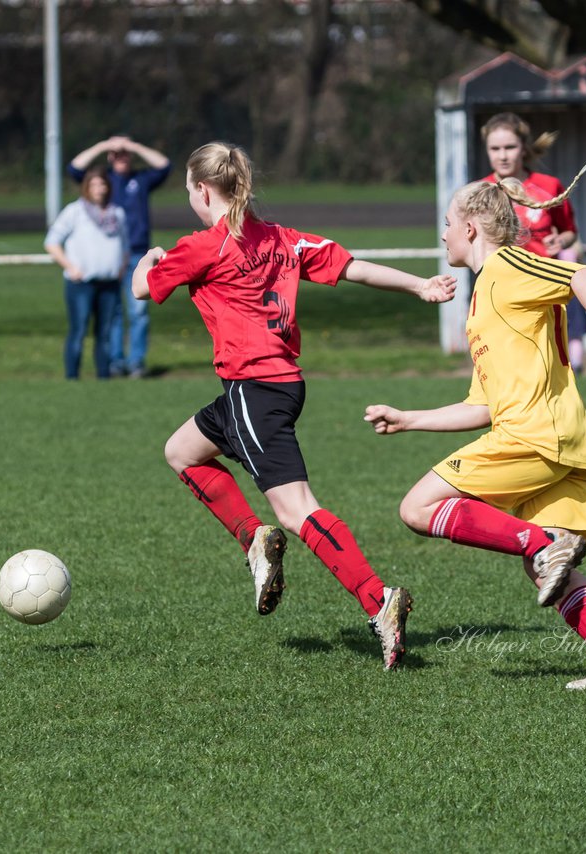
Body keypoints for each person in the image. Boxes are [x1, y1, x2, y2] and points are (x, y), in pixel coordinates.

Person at [132, 141, 457, 670]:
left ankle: (379, 601)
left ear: (200, 189)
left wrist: (146, 261)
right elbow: (352, 267)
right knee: (182, 451)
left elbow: (142, 291)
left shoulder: (202, 245)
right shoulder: (284, 240)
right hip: (277, 386)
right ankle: (255, 540)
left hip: (252, 389)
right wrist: (419, 285)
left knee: (297, 507)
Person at [364, 170, 586, 690]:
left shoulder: (506, 264)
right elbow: (482, 406)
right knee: (547, 571)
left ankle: (544, 541)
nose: (442, 235)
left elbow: (579, 275)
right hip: (556, 440)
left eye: (447, 223)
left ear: (474, 228)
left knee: (417, 508)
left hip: (536, 436)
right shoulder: (482, 299)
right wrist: (410, 419)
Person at [480, 112, 586, 373]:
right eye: (495, 149)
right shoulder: (480, 191)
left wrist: (559, 240)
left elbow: (569, 232)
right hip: (500, 292)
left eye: (510, 147)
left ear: (524, 148)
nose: (503, 155)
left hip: (545, 288)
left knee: (551, 370)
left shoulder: (548, 186)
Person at [69, 135, 171, 379]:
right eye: (117, 154)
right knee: (113, 312)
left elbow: (165, 166)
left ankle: (136, 361)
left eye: (124, 154)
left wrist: (133, 146)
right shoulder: (105, 180)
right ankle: (115, 361)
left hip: (138, 254)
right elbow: (74, 168)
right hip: (113, 257)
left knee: (138, 311)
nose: (121, 158)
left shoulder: (141, 179)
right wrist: (104, 145)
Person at [43, 168, 128, 380]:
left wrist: (121, 268)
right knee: (78, 330)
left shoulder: (117, 213)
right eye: (94, 185)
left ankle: (103, 376)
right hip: (81, 284)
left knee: (105, 334)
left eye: (103, 185)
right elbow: (51, 242)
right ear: (86, 188)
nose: (99, 189)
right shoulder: (75, 211)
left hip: (109, 283)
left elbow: (126, 245)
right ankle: (72, 376)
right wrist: (70, 267)